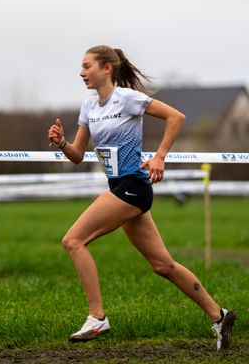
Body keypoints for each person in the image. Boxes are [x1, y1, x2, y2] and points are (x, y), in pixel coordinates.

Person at [48, 45, 236, 351]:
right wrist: (62, 143)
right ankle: (220, 315)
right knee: (163, 265)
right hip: (120, 188)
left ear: (107, 68)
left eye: (87, 66)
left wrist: (160, 157)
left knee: (73, 241)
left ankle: (97, 317)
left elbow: (176, 117)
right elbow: (78, 156)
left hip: (133, 186)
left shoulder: (129, 99)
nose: (81, 73)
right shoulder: (88, 107)